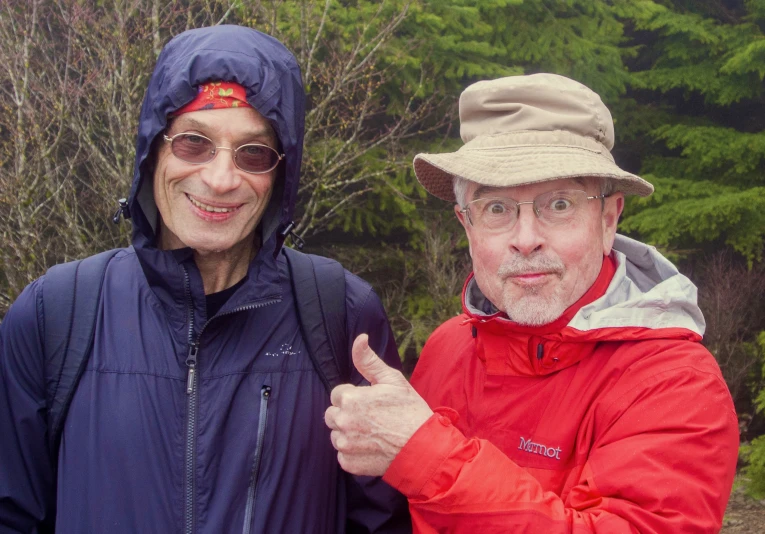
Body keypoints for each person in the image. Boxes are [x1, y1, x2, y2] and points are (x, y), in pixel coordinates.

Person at [0, 25, 410, 533]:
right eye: (193, 143)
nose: (220, 179)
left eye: (253, 153)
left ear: (281, 174)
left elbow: (382, 519)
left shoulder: (342, 314)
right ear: (153, 150)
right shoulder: (55, 313)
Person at [325, 73, 739, 532]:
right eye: (497, 208)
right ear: (467, 227)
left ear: (607, 218)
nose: (526, 240)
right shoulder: (448, 349)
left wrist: (425, 455)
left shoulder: (674, 385)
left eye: (558, 204)